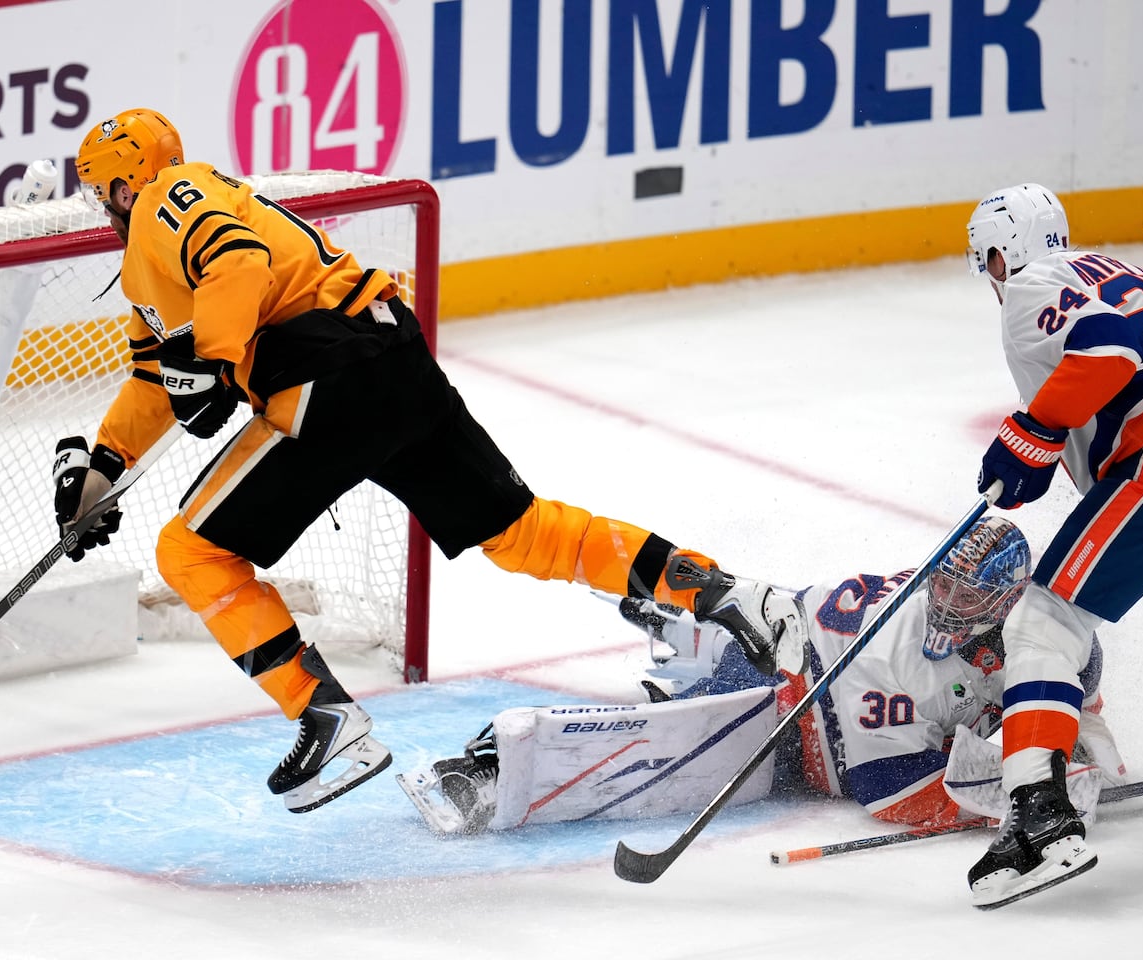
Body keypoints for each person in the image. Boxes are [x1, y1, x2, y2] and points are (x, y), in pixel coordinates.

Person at [55, 107, 800, 814]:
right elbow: (156, 372)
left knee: (191, 551)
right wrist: (105, 465)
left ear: (126, 182)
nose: (99, 207)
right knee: (520, 532)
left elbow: (237, 264)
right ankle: (718, 591)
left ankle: (325, 717)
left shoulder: (165, 200)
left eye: (99, 191)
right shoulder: (157, 253)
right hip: (389, 358)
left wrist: (214, 359)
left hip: (325, 379)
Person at [399, 518, 1124, 836]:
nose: (946, 603)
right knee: (677, 739)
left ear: (1009, 599)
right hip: (791, 689)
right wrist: (1015, 796)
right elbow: (886, 790)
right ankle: (487, 770)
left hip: (801, 626)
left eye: (966, 595)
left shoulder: (1057, 639)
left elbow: (1080, 705)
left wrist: (1079, 760)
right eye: (943, 585)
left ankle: (677, 628)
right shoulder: (899, 657)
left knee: (718, 640)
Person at [964, 183, 1143, 908]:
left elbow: (1110, 349)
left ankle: (1039, 817)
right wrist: (1044, 443)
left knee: (1043, 624)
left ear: (999, 253)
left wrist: (1033, 432)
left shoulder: (1028, 289)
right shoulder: (1115, 268)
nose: (990, 275)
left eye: (987, 260)